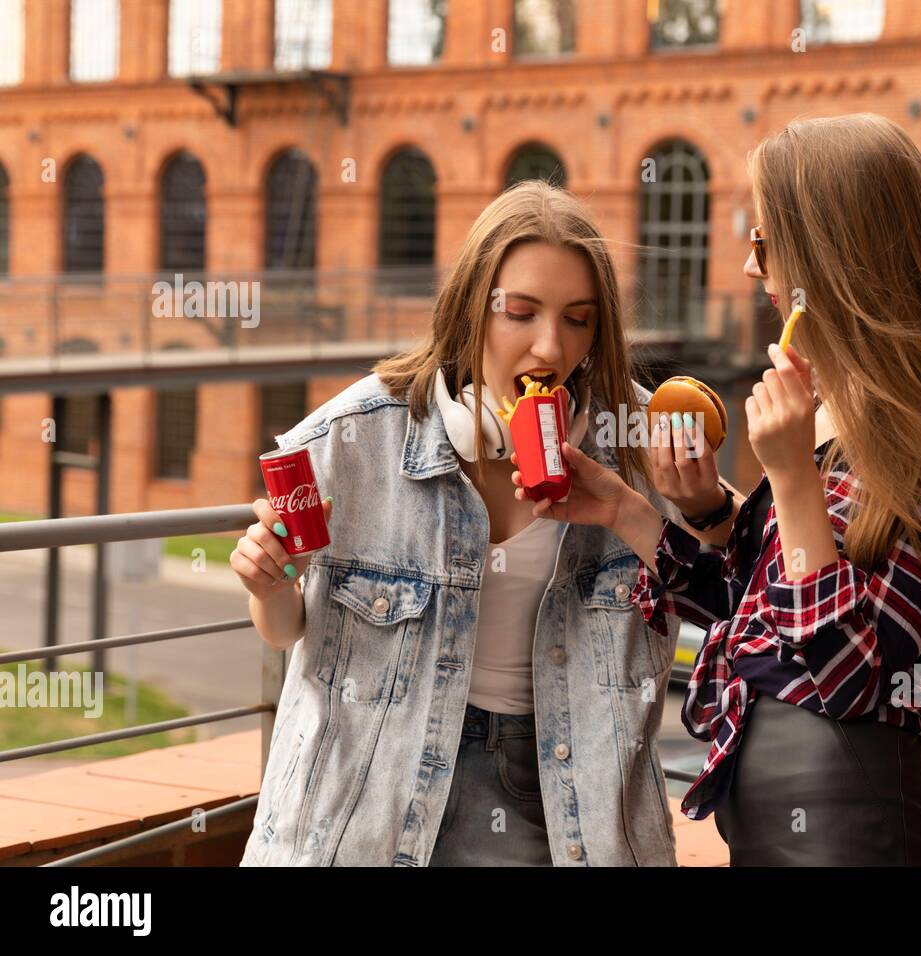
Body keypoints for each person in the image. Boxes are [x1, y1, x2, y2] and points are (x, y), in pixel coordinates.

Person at [516, 114, 921, 865]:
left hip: (865, 836)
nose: (749, 269)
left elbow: (846, 676)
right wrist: (631, 508)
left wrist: (791, 476)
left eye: (763, 245)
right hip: (772, 830)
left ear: (829, 256)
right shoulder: (835, 409)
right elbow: (764, 621)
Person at [235, 181, 681, 866]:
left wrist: (638, 507)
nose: (549, 347)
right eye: (522, 313)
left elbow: (735, 587)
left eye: (578, 319)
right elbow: (290, 629)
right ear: (473, 308)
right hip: (370, 801)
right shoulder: (350, 441)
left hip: (558, 798)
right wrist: (269, 586)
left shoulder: (643, 445)